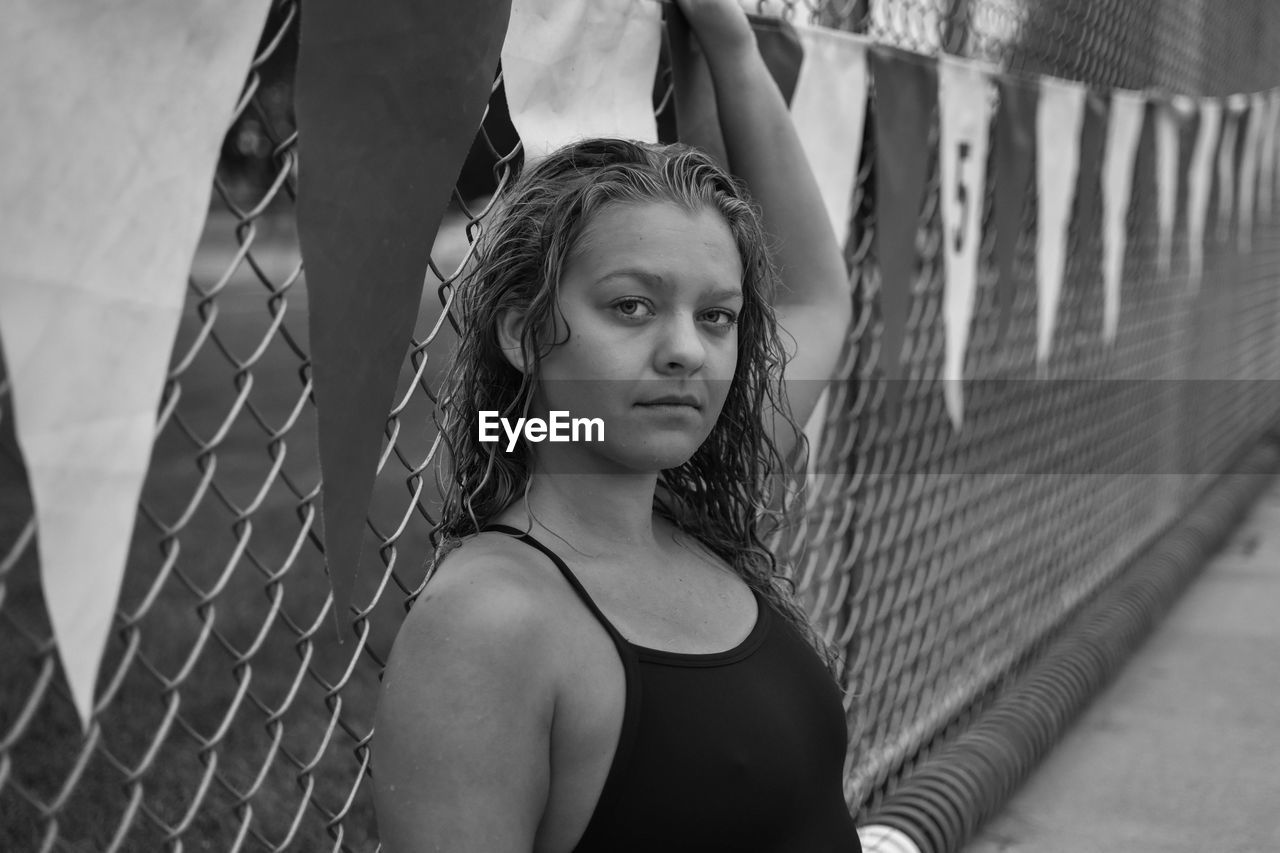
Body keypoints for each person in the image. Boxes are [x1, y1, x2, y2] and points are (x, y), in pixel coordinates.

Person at [372, 0, 857, 850]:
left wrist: (730, 45)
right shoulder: (488, 625)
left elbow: (816, 294)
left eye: (717, 317)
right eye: (632, 306)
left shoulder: (693, 502)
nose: (685, 353)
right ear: (523, 333)